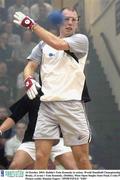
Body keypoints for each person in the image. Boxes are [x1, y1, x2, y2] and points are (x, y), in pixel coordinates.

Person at [13, 7, 92, 169]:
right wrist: (28, 79)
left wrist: (32, 25)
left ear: (77, 23)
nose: (70, 22)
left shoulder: (81, 40)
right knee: (41, 155)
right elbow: (30, 66)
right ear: (58, 22)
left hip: (71, 105)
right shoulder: (42, 45)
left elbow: (57, 43)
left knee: (82, 159)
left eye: (74, 19)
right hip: (47, 107)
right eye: (66, 19)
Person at [0, 93, 77, 169]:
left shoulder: (63, 95)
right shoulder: (32, 94)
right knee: (14, 167)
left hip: (57, 141)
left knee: (75, 169)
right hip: (32, 141)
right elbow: (14, 117)